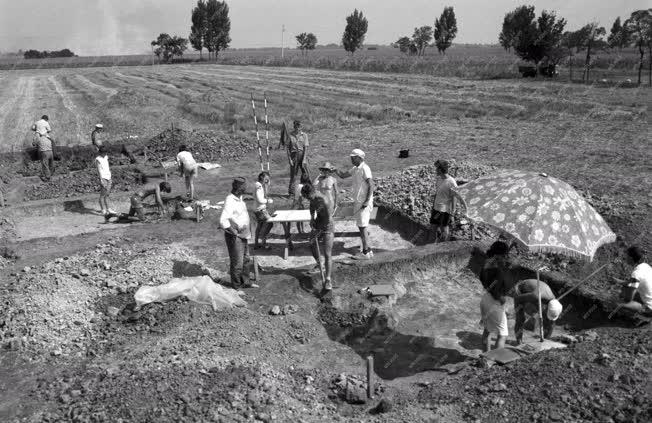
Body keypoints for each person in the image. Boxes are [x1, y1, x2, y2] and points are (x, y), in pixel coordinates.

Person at [335, 149, 374, 259]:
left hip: (363, 202)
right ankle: (368, 250)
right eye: (351, 157)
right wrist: (335, 170)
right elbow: (343, 175)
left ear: (360, 158)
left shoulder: (365, 168)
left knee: (362, 227)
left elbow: (371, 185)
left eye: (353, 157)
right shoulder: (355, 169)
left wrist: (366, 201)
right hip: (358, 202)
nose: (351, 158)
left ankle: (365, 252)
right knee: (362, 226)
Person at [220, 177, 257, 289]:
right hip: (235, 237)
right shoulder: (230, 200)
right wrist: (234, 232)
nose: (246, 188)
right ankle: (236, 287)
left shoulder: (239, 198)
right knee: (237, 263)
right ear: (239, 188)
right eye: (244, 186)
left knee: (246, 260)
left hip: (244, 235)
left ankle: (246, 282)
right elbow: (223, 220)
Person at [479, 241, 513, 352]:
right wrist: (502, 300)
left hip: (486, 299)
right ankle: (496, 362)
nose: (506, 257)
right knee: (502, 335)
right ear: (500, 255)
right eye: (505, 255)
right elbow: (495, 289)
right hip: (494, 301)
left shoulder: (487, 263)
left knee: (487, 330)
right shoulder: (496, 269)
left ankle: (485, 358)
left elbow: (484, 280)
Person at [301, 183, 335, 291]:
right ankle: (320, 263)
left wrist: (318, 227)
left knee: (327, 253)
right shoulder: (313, 198)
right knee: (311, 243)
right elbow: (312, 206)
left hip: (328, 227)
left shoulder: (324, 200)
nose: (307, 199)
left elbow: (328, 219)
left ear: (311, 193)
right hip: (319, 223)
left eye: (307, 197)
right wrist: (312, 218)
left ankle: (328, 279)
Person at [512, 279, 563, 344]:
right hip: (521, 290)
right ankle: (519, 342)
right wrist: (520, 312)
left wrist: (545, 342)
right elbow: (517, 299)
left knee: (548, 319)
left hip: (537, 292)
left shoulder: (554, 303)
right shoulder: (535, 296)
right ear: (547, 307)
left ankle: (545, 339)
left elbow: (552, 322)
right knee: (521, 319)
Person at [430, 159, 465, 242]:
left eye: (437, 168)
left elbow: (455, 197)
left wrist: (452, 214)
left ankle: (443, 245)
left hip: (445, 210)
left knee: (444, 229)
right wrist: (433, 206)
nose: (435, 170)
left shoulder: (451, 182)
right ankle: (432, 245)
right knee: (433, 227)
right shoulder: (438, 179)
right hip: (436, 209)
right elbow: (437, 193)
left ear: (440, 170)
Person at [613, 246, 652, 316]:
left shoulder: (636, 273)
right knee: (624, 290)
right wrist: (619, 281)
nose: (625, 258)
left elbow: (629, 298)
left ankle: (643, 311)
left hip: (650, 308)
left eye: (626, 256)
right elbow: (631, 282)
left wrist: (622, 295)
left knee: (616, 303)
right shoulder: (645, 266)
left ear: (631, 258)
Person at [287, 120, 310, 197]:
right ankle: (291, 192)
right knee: (293, 175)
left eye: (299, 127)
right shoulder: (290, 135)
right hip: (294, 155)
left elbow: (306, 148)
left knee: (306, 174)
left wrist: (304, 159)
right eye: (297, 127)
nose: (298, 128)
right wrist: (289, 159)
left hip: (302, 154)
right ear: (294, 127)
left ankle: (307, 190)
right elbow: (287, 148)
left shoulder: (304, 135)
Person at [254, 172, 275, 250]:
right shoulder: (259, 186)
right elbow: (260, 199)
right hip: (260, 210)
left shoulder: (259, 185)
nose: (267, 180)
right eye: (266, 179)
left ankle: (257, 244)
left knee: (259, 226)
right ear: (262, 178)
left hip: (258, 209)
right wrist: (267, 201)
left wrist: (267, 185)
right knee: (269, 224)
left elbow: (265, 194)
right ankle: (263, 243)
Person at [31, 115, 54, 181]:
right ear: (46, 119)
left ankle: (47, 177)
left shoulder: (37, 135)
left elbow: (33, 143)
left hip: (44, 152)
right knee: (51, 163)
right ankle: (51, 174)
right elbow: (49, 130)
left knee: (45, 165)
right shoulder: (48, 136)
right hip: (50, 151)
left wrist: (35, 142)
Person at [95, 146, 116, 216]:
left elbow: (107, 167)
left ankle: (108, 209)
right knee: (102, 195)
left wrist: (110, 176)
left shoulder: (106, 157)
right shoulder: (98, 159)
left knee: (107, 194)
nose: (104, 153)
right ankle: (103, 210)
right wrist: (101, 179)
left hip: (108, 177)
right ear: (100, 152)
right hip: (103, 178)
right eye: (103, 152)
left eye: (105, 152)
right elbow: (98, 170)